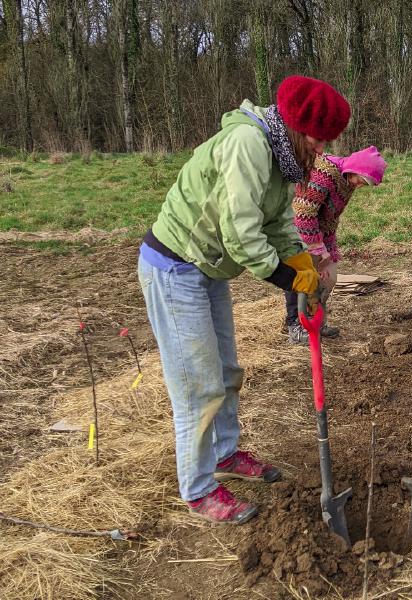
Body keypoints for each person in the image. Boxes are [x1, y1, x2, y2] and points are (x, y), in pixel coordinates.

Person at [137, 76, 351, 524]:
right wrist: (288, 279)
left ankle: (225, 454)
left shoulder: (282, 158)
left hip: (207, 268)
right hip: (175, 267)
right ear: (295, 126)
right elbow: (241, 236)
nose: (321, 148)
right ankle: (197, 490)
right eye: (317, 138)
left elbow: (275, 223)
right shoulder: (248, 145)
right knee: (198, 386)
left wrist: (308, 261)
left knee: (228, 371)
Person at [285, 146, 387, 344]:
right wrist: (318, 250)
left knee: (329, 278)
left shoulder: (347, 181)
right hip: (293, 229)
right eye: (363, 180)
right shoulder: (324, 174)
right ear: (356, 169)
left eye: (366, 184)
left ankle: (315, 322)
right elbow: (303, 216)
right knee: (299, 277)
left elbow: (329, 219)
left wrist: (329, 252)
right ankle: (294, 326)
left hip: (318, 233)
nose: (360, 186)